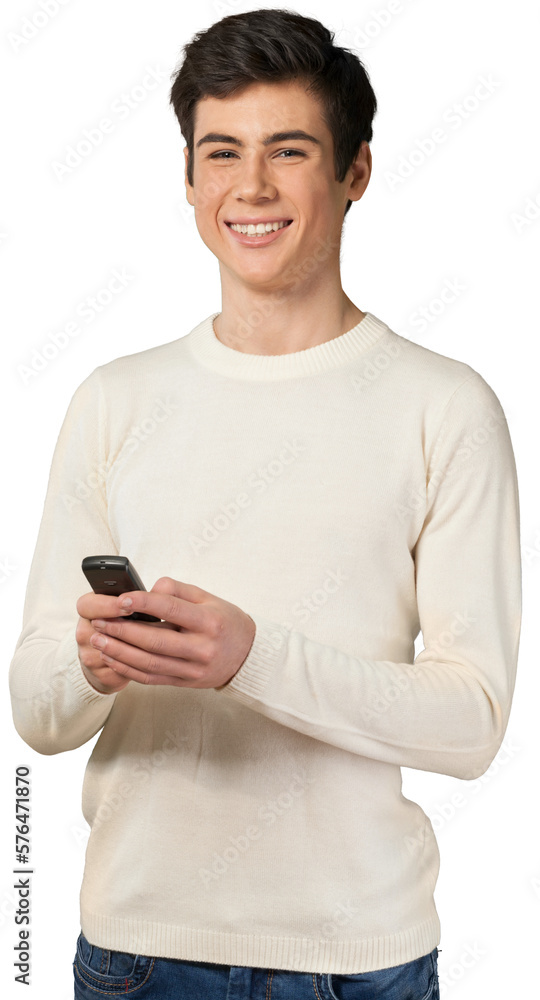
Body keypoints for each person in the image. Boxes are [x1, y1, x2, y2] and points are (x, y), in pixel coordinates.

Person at [9, 8, 521, 999]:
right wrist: (92, 662)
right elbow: (37, 709)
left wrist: (253, 659)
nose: (250, 187)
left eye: (289, 151)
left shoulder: (446, 407)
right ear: (189, 177)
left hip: (357, 960)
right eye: (221, 153)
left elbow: (473, 723)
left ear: (355, 170)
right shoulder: (115, 400)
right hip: (137, 953)